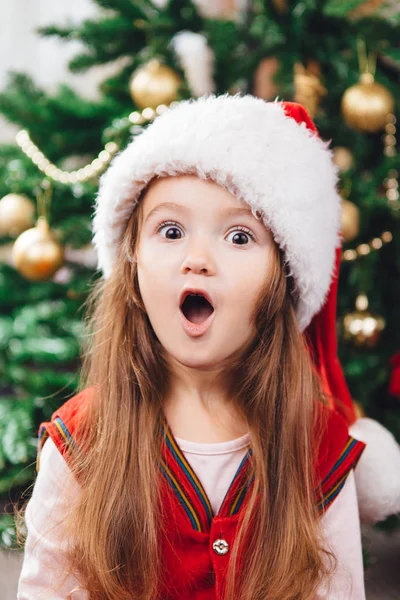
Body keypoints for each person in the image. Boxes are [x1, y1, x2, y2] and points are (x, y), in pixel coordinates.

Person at [16, 93, 382, 600]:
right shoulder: (83, 442)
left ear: (282, 282)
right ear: (134, 264)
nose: (198, 258)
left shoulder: (315, 446)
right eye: (171, 230)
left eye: (238, 236)